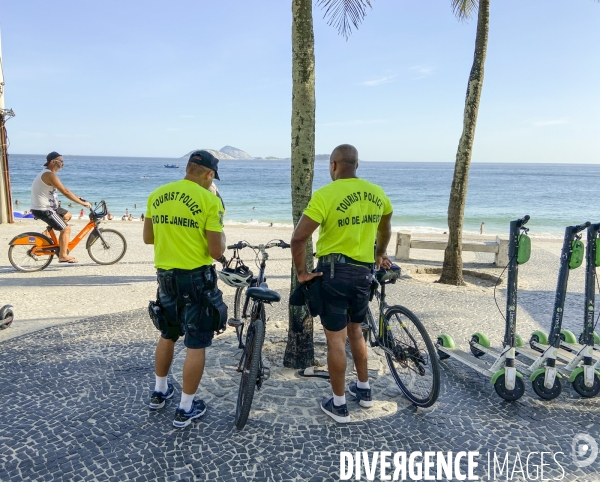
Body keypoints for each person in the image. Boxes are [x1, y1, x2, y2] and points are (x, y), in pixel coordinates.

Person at [290, 144, 393, 423]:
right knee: (356, 333)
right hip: (363, 274)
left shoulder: (325, 195)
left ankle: (338, 405)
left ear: (333, 165)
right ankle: (365, 391)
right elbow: (385, 228)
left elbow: (299, 239)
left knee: (335, 340)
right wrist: (380, 252)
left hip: (333, 273)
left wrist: (302, 273)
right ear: (356, 165)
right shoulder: (377, 193)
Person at [144, 150, 226, 428]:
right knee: (196, 342)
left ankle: (159, 391)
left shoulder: (157, 194)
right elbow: (216, 252)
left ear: (188, 168)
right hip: (196, 280)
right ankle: (186, 407)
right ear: (209, 174)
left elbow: (147, 238)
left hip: (165, 277)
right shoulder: (210, 200)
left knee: (168, 333)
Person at [30, 151, 90, 263]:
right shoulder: (49, 175)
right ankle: (63, 255)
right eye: (61, 161)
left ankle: (47, 233)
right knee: (66, 229)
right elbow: (65, 191)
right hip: (44, 209)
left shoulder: (47, 174)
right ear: (53, 162)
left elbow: (64, 190)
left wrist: (77, 198)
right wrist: (82, 203)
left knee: (67, 215)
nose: (63, 164)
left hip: (49, 207)